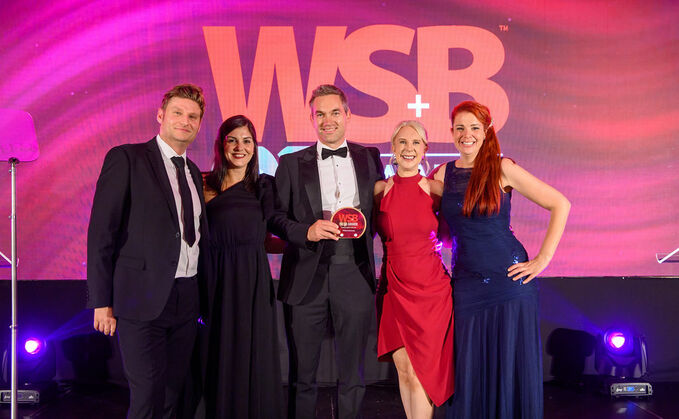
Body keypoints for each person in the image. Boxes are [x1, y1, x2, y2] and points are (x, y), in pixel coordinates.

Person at [433, 101, 570, 419]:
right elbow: (432, 223)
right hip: (466, 286)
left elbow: (560, 204)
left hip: (510, 284)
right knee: (470, 368)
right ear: (452, 132)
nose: (467, 135)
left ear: (487, 131)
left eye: (474, 128)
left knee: (509, 366)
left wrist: (542, 259)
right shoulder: (444, 173)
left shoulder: (502, 168)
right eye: (460, 128)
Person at [87, 84, 208, 418]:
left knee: (172, 393)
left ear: (199, 123)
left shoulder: (194, 172)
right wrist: (101, 301)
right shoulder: (127, 158)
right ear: (161, 115)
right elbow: (102, 234)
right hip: (140, 300)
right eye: (178, 113)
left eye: (193, 116)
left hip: (186, 298)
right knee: (147, 395)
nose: (185, 121)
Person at [269, 84, 384, 419]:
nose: (328, 120)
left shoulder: (369, 157)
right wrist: (306, 230)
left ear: (347, 115)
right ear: (312, 118)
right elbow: (275, 218)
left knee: (353, 374)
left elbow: (385, 204)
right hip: (306, 277)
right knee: (303, 376)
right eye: (321, 114)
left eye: (335, 112)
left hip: (355, 273)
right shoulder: (291, 163)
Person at [200, 115, 283, 418]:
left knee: (253, 354)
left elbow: (275, 231)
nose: (240, 147)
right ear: (221, 145)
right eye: (232, 139)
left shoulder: (264, 186)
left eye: (247, 140)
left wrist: (307, 240)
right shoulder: (202, 182)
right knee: (217, 353)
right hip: (213, 279)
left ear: (255, 146)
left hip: (251, 281)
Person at [374, 120, 454, 419]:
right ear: (393, 149)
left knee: (422, 372)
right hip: (394, 289)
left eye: (415, 143)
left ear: (425, 150)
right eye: (402, 142)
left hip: (431, 292)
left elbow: (451, 236)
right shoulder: (379, 191)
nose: (409, 148)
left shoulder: (437, 190)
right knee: (405, 370)